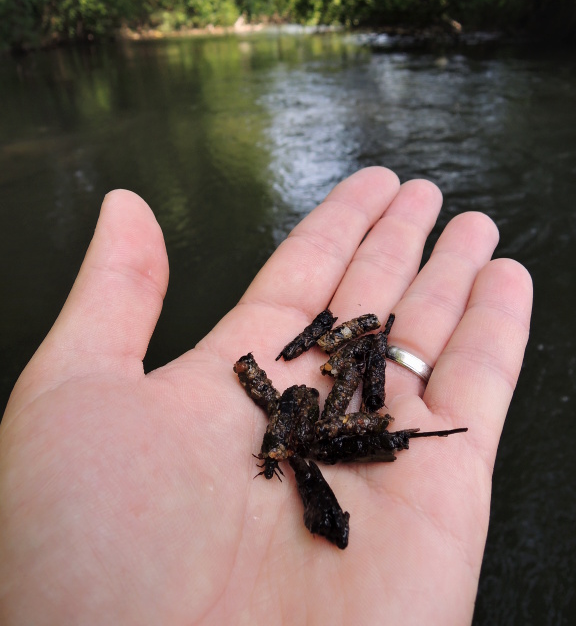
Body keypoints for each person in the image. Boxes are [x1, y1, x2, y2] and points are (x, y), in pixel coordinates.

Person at [0, 167, 532, 625]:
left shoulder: (323, 420)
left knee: (335, 413)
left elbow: (339, 409)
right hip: (319, 429)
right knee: (326, 415)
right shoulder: (310, 427)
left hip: (324, 427)